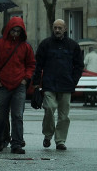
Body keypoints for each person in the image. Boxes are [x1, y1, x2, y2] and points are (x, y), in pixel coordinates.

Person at [0, 16, 35, 155]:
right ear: (8, 29)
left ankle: (17, 143)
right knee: (1, 114)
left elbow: (31, 64)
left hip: (19, 84)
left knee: (17, 115)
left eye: (18, 31)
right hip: (2, 84)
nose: (15, 34)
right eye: (13, 31)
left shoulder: (25, 46)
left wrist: (26, 78)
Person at [32, 19, 84, 151]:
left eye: (60, 28)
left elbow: (79, 65)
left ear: (65, 29)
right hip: (49, 84)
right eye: (55, 27)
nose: (57, 30)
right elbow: (38, 65)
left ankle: (60, 140)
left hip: (66, 85)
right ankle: (48, 135)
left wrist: (74, 81)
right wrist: (36, 84)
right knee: (49, 109)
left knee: (64, 116)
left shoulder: (73, 45)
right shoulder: (46, 44)